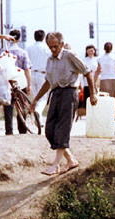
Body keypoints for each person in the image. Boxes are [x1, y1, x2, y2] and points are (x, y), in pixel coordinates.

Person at [30, 32, 98, 176]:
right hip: (56, 94)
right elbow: (48, 82)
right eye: (50, 47)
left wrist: (93, 93)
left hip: (69, 93)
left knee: (62, 129)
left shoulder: (69, 56)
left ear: (61, 44)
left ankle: (55, 165)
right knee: (49, 130)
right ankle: (71, 160)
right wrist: (35, 100)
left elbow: (88, 71)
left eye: (55, 46)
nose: (53, 49)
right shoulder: (49, 60)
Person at [0, 29, 32, 135]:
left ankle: (9, 130)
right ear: (19, 39)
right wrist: (29, 84)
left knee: (8, 106)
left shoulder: (3, 52)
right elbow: (27, 69)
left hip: (6, 83)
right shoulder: (23, 53)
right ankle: (22, 130)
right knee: (22, 106)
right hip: (20, 82)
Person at [94, 42, 115, 119]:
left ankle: (106, 114)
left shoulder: (100, 58)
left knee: (105, 98)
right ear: (111, 48)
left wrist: (94, 81)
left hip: (104, 80)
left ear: (104, 48)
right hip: (113, 80)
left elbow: (98, 70)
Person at [27, 29, 52, 122]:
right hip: (42, 74)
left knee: (35, 97)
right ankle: (38, 112)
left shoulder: (29, 48)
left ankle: (38, 120)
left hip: (32, 73)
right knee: (43, 98)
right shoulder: (46, 48)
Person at [79, 45, 99, 111]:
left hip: (95, 82)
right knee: (87, 99)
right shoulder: (84, 60)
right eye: (89, 50)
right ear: (87, 52)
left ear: (94, 51)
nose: (91, 52)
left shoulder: (97, 59)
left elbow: (99, 70)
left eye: (92, 50)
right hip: (86, 83)